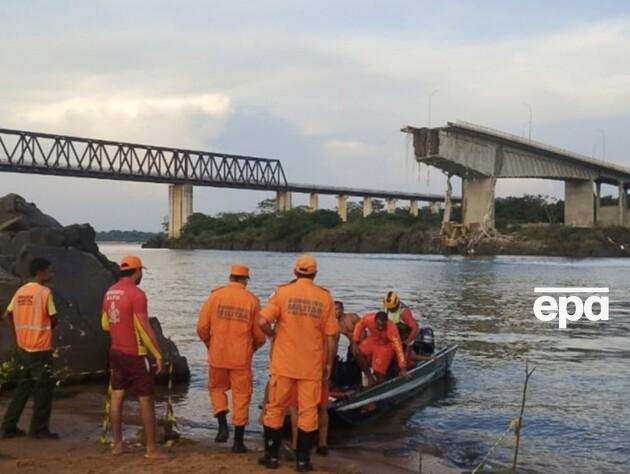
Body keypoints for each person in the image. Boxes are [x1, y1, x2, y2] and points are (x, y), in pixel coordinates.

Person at [258, 255, 338, 473]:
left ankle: (271, 457)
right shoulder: (325, 298)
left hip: (283, 364)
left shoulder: (282, 293)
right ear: (315, 273)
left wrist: (272, 334)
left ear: (295, 272)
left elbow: (262, 321)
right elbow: (332, 336)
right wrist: (329, 364)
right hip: (311, 367)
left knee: (274, 408)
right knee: (308, 412)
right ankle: (303, 461)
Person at [101, 255, 168, 459]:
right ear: (137, 271)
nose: (141, 276)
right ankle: (151, 449)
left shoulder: (110, 292)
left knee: (117, 396)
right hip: (135, 354)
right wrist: (158, 355)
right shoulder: (137, 294)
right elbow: (144, 328)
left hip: (116, 351)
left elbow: (105, 324)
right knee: (146, 399)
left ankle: (118, 444)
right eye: (141, 272)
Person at [196, 264, 266, 453]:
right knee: (241, 397)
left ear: (230, 277)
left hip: (217, 354)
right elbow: (260, 335)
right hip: (241, 358)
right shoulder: (252, 300)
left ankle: (221, 426)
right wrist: (253, 348)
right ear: (246, 280)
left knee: (216, 389)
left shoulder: (215, 296)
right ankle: (238, 442)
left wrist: (211, 344)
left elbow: (202, 327)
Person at [1, 258, 59, 440]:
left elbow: (6, 316)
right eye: (49, 271)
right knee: (43, 388)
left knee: (23, 386)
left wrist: (17, 336)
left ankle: (9, 425)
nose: (51, 274)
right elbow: (54, 319)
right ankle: (39, 429)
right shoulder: (44, 292)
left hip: (23, 347)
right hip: (40, 348)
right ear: (40, 272)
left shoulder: (21, 291)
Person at [353, 311, 407, 385]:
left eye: (383, 325)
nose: (380, 327)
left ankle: (378, 384)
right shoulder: (368, 319)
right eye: (378, 325)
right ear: (374, 320)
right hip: (373, 340)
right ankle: (369, 377)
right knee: (357, 352)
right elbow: (359, 325)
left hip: (385, 346)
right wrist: (355, 341)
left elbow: (398, 348)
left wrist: (402, 368)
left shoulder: (392, 329)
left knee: (379, 374)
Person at [382, 291, 419, 364]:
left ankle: (412, 360)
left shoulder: (404, 313)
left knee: (404, 362)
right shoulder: (387, 308)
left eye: (392, 308)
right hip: (394, 336)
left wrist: (407, 342)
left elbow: (415, 328)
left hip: (406, 336)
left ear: (397, 303)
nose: (390, 309)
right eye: (389, 308)